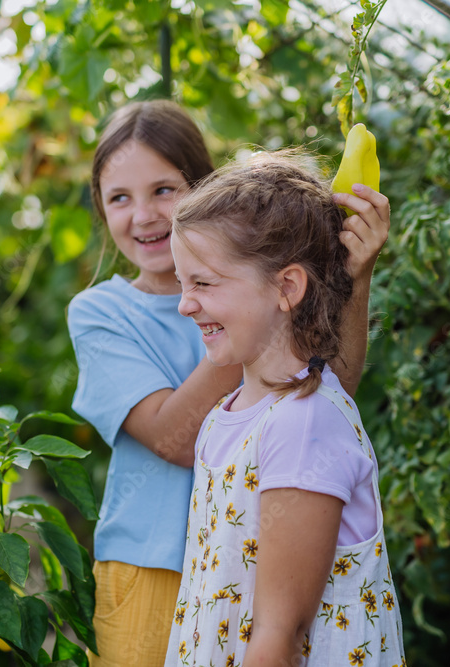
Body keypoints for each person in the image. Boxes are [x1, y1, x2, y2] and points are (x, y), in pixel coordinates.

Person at [66, 100, 390, 667]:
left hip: (263, 563)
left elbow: (321, 385)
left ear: (200, 189)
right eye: (119, 198)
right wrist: (261, 312)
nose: (144, 215)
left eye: (164, 190)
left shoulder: (253, 308)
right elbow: (173, 440)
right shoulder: (102, 311)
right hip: (154, 567)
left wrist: (349, 281)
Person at [163, 151, 405, 667]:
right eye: (182, 284)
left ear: (287, 287)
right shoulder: (230, 411)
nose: (185, 304)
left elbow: (280, 634)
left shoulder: (302, 423)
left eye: (203, 283)